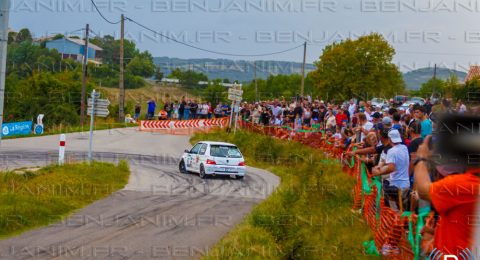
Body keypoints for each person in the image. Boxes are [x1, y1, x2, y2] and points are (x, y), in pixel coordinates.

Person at [372, 129, 410, 212]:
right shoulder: (404, 148)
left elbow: (391, 168)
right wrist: (380, 165)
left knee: (394, 212)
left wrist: (378, 172)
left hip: (396, 186)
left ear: (389, 139)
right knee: (404, 210)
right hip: (406, 184)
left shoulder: (391, 151)